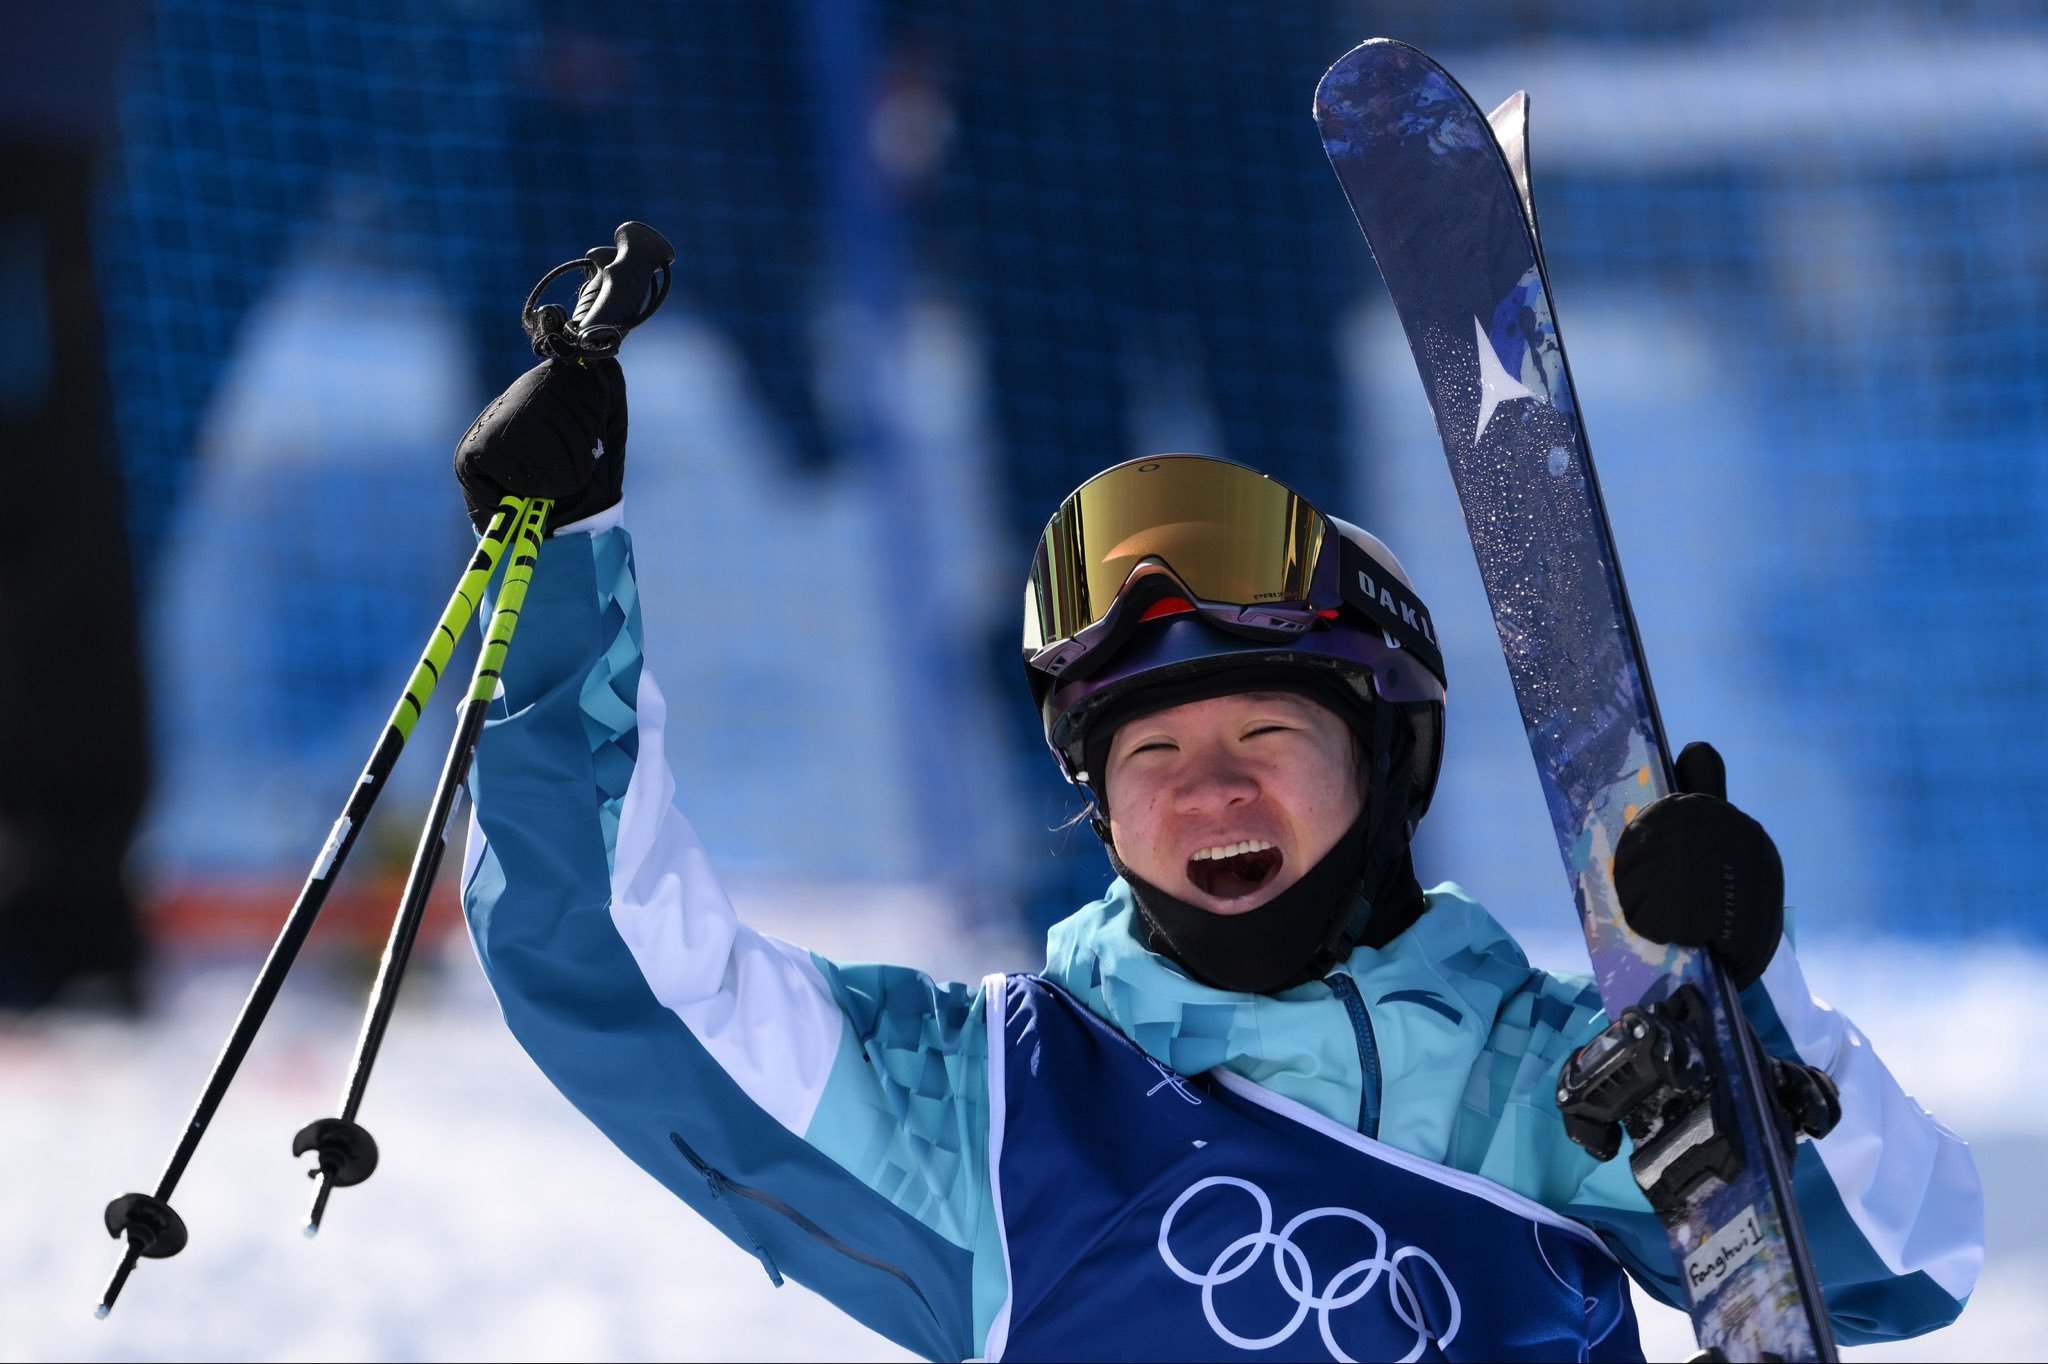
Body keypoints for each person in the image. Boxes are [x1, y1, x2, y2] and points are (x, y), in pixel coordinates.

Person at [453, 357, 1982, 1361]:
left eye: (1266, 736)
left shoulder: (1553, 1081)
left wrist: (1745, 1010)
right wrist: (563, 569)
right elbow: (618, 974)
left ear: (1386, 771)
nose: (1209, 795)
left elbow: (1901, 1265)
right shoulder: (989, 1113)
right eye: (1151, 760)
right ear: (1099, 812)